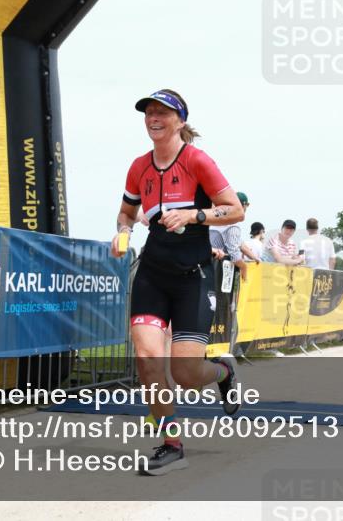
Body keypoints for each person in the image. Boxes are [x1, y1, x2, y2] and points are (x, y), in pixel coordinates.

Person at [111, 88, 244, 475]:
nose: (154, 118)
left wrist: (193, 217)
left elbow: (234, 210)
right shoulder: (139, 166)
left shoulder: (197, 160)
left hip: (193, 275)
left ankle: (224, 371)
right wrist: (121, 235)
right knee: (149, 359)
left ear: (180, 121)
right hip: (153, 272)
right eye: (149, 112)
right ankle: (170, 444)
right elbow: (125, 213)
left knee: (186, 376)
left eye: (162, 113)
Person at [209, 192, 251, 280]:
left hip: (204, 266)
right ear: (243, 205)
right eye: (247, 205)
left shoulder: (214, 219)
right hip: (217, 271)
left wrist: (254, 257)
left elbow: (240, 244)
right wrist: (244, 267)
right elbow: (234, 255)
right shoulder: (232, 226)